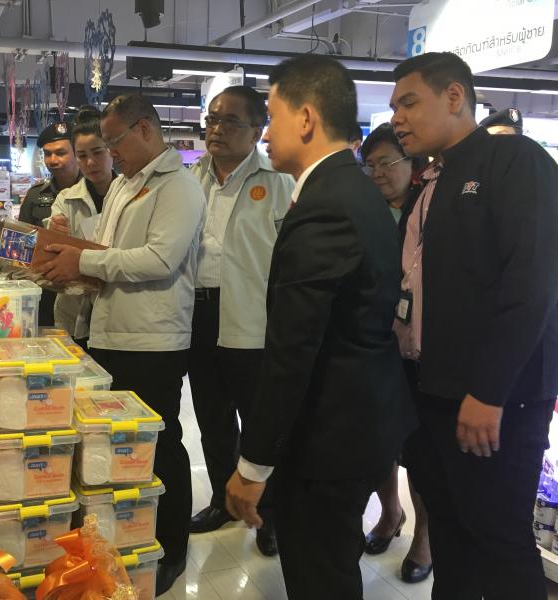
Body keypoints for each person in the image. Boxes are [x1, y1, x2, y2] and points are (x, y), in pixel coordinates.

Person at [224, 55, 416, 599]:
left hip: (332, 433)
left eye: (272, 116)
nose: (266, 132)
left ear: (306, 118)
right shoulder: (349, 189)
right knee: (328, 565)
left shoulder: (328, 203)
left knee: (320, 575)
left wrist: (253, 465)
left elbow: (294, 349)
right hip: (354, 420)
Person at [390, 51, 558, 600]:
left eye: (409, 102)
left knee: (499, 540)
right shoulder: (430, 180)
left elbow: (530, 285)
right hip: (432, 391)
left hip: (495, 400)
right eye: (394, 106)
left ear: (455, 97)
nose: (397, 118)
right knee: (451, 530)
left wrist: (489, 391)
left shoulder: (515, 160)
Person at [39, 94, 205, 596]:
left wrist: (84, 262)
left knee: (161, 445)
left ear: (145, 130)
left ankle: (172, 545)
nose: (109, 154)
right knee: (121, 444)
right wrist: (70, 253)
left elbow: (159, 259)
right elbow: (111, 252)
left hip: (153, 340)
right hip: (110, 331)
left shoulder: (178, 187)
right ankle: (129, 538)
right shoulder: (125, 185)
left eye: (114, 142)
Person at [186, 85, 293, 557]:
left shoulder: (279, 182)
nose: (217, 129)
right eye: (212, 119)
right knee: (212, 418)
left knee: (260, 422)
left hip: (253, 319)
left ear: (257, 130)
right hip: (198, 313)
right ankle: (223, 501)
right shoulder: (192, 179)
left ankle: (270, 514)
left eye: (230, 121)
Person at [360, 123, 432, 584]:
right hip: (374, 343)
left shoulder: (430, 207)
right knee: (379, 441)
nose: (378, 173)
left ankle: (424, 536)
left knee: (421, 448)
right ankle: (390, 514)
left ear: (412, 165)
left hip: (419, 349)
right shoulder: (364, 210)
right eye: (370, 165)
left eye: (387, 162)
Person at [47, 106, 118, 346]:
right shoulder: (66, 200)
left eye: (97, 152)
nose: (90, 162)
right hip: (73, 314)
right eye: (81, 155)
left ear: (111, 150)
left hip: (118, 313)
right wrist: (53, 237)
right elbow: (52, 263)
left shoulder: (132, 196)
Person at [19, 121, 80, 326]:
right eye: (47, 154)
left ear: (76, 153)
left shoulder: (98, 192)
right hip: (44, 293)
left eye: (61, 153)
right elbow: (20, 248)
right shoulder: (35, 195)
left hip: (84, 293)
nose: (52, 160)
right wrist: (47, 236)